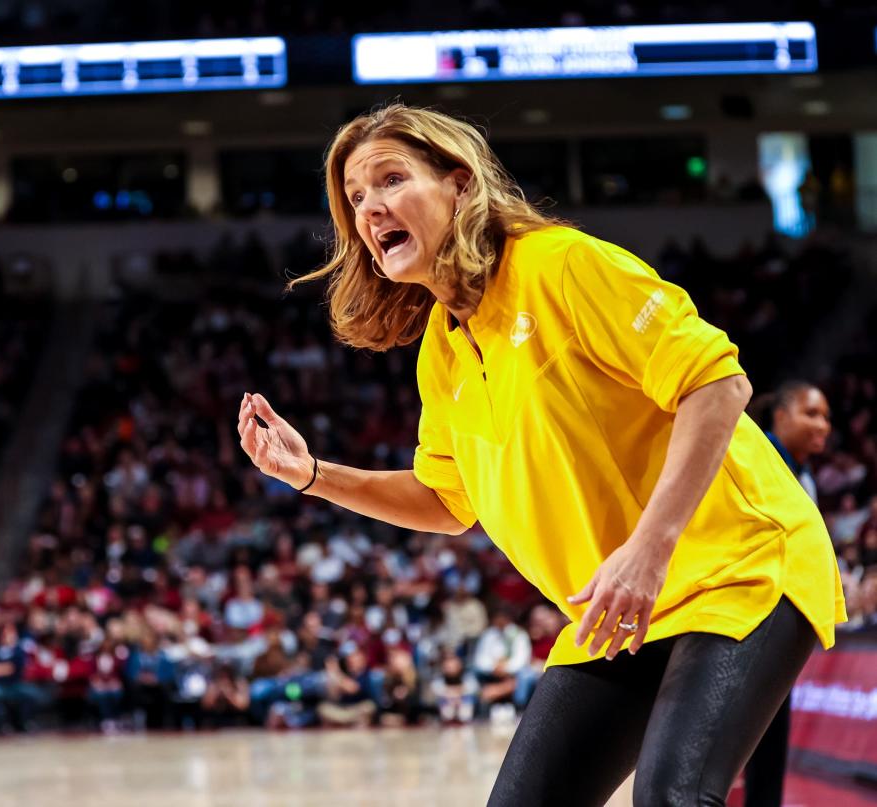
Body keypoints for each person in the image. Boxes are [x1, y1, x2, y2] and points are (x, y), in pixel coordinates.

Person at [236, 104, 845, 806]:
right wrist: (310, 474)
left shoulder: (560, 264)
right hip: (621, 612)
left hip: (742, 565)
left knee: (675, 797)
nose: (370, 208)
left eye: (391, 179)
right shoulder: (442, 347)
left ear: (460, 184)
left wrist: (648, 549)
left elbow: (718, 383)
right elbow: (446, 500)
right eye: (355, 197)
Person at [741, 380, 831, 807]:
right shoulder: (762, 457)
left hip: (783, 614)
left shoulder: (804, 473)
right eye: (811, 413)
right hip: (750, 609)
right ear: (780, 415)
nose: (824, 425)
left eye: (827, 417)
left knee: (768, 730)